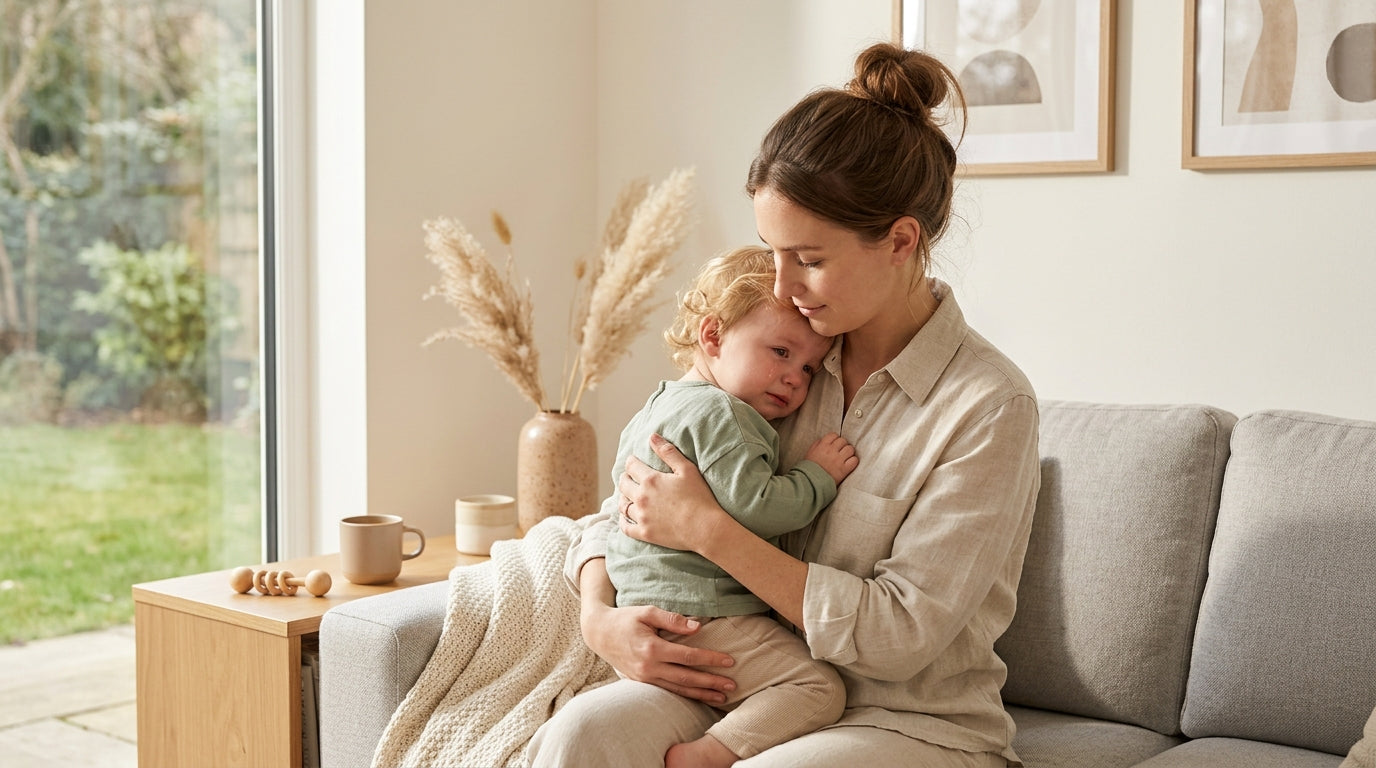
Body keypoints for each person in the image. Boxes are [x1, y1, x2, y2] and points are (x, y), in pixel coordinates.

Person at [529, 41, 1041, 768]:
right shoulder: (782, 362)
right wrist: (598, 619)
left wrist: (711, 532)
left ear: (900, 241)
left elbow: (899, 636)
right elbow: (633, 497)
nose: (781, 284)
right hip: (735, 682)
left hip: (908, 723)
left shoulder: (987, 407)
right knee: (582, 734)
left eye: (809, 258)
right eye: (771, 251)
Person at [594, 244, 858, 768]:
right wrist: (816, 476)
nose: (794, 378)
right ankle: (708, 755)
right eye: (780, 352)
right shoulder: (726, 417)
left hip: (640, 606)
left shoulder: (657, 404)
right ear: (712, 336)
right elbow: (760, 507)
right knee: (819, 688)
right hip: (703, 610)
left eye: (808, 368)